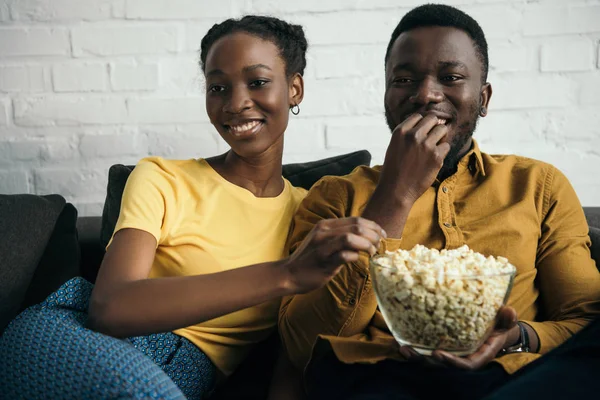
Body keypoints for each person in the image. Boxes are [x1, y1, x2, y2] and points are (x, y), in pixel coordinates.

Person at [0, 16, 381, 400]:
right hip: (72, 334)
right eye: (218, 87)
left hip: (183, 377)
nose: (235, 103)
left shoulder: (311, 214)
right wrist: (287, 273)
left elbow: (296, 349)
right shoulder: (162, 178)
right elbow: (110, 308)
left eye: (258, 82)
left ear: (294, 88)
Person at [278, 4, 600, 400]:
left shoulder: (538, 185)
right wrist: (394, 196)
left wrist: (517, 337)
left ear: (483, 98)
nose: (426, 94)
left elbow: (585, 320)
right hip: (381, 377)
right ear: (386, 94)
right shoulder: (334, 195)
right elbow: (302, 345)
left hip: (510, 379)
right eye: (404, 78)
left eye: (450, 77)